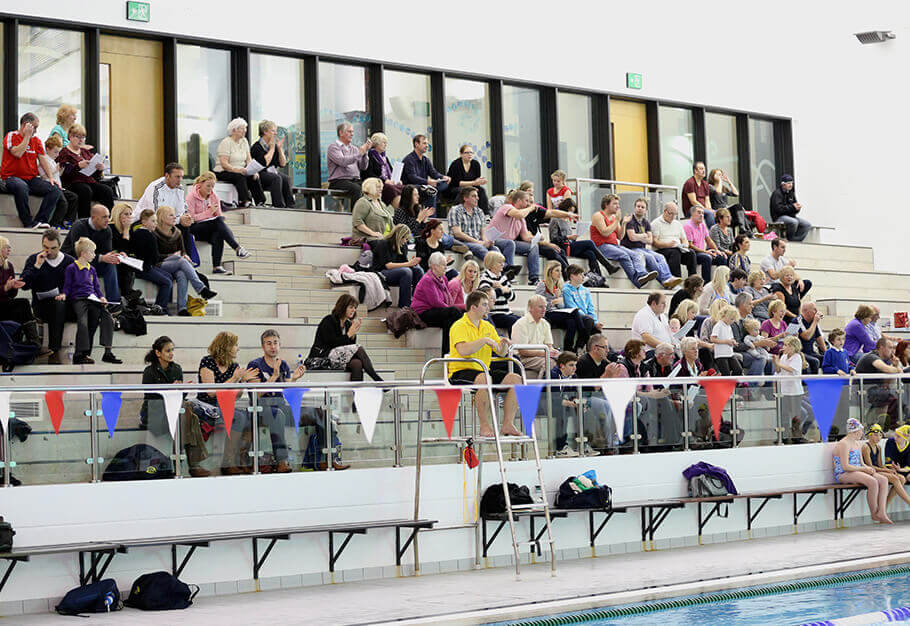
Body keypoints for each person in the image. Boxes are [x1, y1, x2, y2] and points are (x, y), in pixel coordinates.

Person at [447, 290, 521, 438]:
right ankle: (484, 426)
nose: (489, 307)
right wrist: (484, 340)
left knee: (516, 379)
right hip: (460, 370)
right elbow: (463, 350)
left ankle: (507, 423)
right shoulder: (459, 326)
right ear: (473, 307)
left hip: (483, 370)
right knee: (484, 379)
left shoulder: (487, 326)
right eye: (485, 305)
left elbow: (500, 352)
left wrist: (504, 344)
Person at [140, 336, 211, 477]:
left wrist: (182, 389)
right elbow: (150, 397)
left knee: (188, 413)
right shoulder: (149, 371)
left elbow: (180, 397)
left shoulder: (177, 368)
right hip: (155, 411)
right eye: (168, 351)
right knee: (188, 417)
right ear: (158, 353)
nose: (171, 354)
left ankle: (180, 460)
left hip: (174, 409)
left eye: (172, 350)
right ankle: (191, 463)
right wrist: (169, 390)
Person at [195, 331, 261, 474]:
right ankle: (228, 462)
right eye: (235, 345)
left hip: (224, 405)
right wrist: (234, 378)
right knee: (239, 417)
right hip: (206, 405)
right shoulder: (207, 361)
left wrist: (243, 382)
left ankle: (241, 460)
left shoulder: (233, 366)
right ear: (226, 346)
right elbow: (211, 392)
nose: (238, 348)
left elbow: (236, 396)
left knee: (250, 417)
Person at [247, 329, 307, 473]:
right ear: (263, 347)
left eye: (275, 343)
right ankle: (282, 461)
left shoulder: (283, 364)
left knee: (318, 413)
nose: (273, 346)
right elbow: (256, 395)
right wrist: (274, 376)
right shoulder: (255, 365)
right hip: (261, 408)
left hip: (280, 404)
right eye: (269, 343)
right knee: (277, 415)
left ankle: (325, 459)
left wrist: (294, 379)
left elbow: (286, 389)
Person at [60, 237, 120, 365]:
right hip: (79, 299)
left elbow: (96, 288)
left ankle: (107, 352)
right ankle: (79, 354)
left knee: (107, 318)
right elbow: (67, 285)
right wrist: (64, 294)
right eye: (92, 252)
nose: (94, 255)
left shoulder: (92, 269)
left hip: (92, 299)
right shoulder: (72, 268)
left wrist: (102, 297)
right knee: (83, 322)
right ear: (83, 253)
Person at [20, 229, 74, 363]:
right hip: (42, 305)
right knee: (57, 306)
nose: (48, 251)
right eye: (45, 247)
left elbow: (78, 285)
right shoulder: (34, 259)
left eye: (53, 248)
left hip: (65, 303)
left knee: (84, 307)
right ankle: (54, 352)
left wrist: (65, 294)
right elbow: (24, 285)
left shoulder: (69, 261)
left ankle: (81, 354)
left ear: (59, 246)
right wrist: (37, 266)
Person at [152, 206, 218, 314]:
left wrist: (185, 255)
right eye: (171, 215)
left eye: (175, 215)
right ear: (162, 218)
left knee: (182, 274)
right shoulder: (154, 233)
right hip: (159, 264)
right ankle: (201, 288)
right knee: (181, 261)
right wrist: (172, 255)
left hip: (177, 263)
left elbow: (182, 252)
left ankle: (182, 308)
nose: (175, 217)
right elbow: (154, 256)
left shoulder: (177, 233)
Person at [306, 294, 384, 384]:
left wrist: (352, 336)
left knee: (357, 363)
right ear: (342, 307)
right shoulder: (329, 320)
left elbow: (347, 348)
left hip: (336, 359)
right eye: (351, 307)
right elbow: (331, 343)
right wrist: (349, 334)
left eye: (355, 308)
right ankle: (378, 380)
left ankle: (356, 392)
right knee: (359, 348)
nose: (353, 310)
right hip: (321, 358)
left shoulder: (348, 324)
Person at [1, 112, 61, 228]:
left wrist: (50, 178)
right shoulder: (11, 136)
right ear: (26, 125)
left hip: (31, 178)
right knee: (21, 186)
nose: (36, 131)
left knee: (55, 189)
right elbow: (17, 153)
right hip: (11, 177)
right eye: (35, 127)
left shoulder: (36, 141)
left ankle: (40, 221)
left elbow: (43, 160)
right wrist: (27, 137)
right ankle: (28, 222)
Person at [185, 171, 250, 273]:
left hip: (209, 227)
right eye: (208, 186)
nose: (210, 189)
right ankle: (237, 248)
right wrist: (209, 212)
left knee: (218, 231)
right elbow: (191, 218)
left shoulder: (214, 196)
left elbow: (218, 215)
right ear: (200, 184)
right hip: (194, 228)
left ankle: (216, 266)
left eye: (212, 186)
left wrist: (220, 217)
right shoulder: (191, 196)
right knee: (217, 223)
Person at [590, 194, 657, 288]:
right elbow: (605, 232)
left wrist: (624, 223)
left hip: (614, 245)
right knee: (623, 255)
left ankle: (642, 275)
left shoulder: (614, 218)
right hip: (601, 246)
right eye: (615, 204)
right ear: (606, 204)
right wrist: (617, 220)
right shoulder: (598, 215)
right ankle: (637, 280)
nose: (618, 206)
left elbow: (620, 236)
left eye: (618, 204)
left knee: (636, 255)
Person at [832, 418, 891, 524]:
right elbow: (845, 467)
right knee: (872, 482)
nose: (862, 433)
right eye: (861, 431)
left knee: (883, 480)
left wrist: (868, 469)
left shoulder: (856, 443)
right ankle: (874, 513)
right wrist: (864, 469)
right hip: (843, 474)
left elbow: (861, 463)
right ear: (855, 431)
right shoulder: (844, 444)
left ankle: (882, 512)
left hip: (856, 471)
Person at [60, 203, 121, 306]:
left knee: (111, 264)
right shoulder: (79, 227)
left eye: (108, 216)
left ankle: (114, 303)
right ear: (93, 218)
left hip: (93, 261)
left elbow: (106, 253)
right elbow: (79, 254)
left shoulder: (107, 230)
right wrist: (102, 258)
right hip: (74, 262)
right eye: (104, 217)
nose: (108, 220)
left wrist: (115, 256)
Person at [620, 197, 682, 290]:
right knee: (650, 257)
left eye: (642, 207)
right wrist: (643, 236)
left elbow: (650, 240)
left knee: (660, 257)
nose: (640, 208)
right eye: (638, 206)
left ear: (646, 210)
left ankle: (668, 278)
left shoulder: (646, 222)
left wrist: (640, 237)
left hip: (642, 248)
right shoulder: (630, 220)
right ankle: (665, 280)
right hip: (630, 248)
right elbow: (632, 238)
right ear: (634, 207)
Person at [484, 189, 544, 285]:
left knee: (533, 247)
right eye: (526, 201)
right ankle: (509, 274)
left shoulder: (521, 219)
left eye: (529, 202)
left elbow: (525, 237)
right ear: (519, 200)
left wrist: (537, 238)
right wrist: (531, 208)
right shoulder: (506, 207)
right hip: (493, 239)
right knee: (510, 243)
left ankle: (534, 278)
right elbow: (518, 214)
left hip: (509, 243)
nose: (528, 204)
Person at [55, 123, 114, 218]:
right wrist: (78, 166)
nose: (81, 140)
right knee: (85, 190)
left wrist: (99, 169)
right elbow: (64, 173)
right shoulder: (64, 153)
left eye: (83, 137)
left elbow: (95, 176)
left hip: (89, 181)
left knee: (107, 191)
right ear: (70, 137)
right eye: (78, 137)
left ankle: (107, 218)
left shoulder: (86, 152)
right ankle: (84, 220)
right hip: (72, 183)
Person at [537, 260, 597, 352]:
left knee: (572, 322)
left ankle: (568, 349)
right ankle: (584, 334)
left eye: (560, 271)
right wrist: (553, 302)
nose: (560, 273)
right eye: (557, 270)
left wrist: (558, 300)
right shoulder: (542, 284)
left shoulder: (560, 285)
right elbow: (538, 303)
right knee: (575, 312)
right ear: (550, 272)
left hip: (558, 313)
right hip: (548, 313)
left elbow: (561, 306)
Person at [550, 198, 617, 278]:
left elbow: (568, 237)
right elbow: (553, 238)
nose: (571, 214)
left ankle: (598, 277)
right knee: (590, 243)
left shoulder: (566, 221)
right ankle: (608, 266)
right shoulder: (555, 220)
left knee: (590, 253)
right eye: (570, 211)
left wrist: (574, 237)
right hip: (563, 246)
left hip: (570, 244)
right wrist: (568, 237)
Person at [412, 252, 462, 355]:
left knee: (450, 320)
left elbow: (447, 299)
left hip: (435, 311)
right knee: (453, 312)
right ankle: (448, 351)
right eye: (443, 265)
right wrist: (450, 309)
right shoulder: (427, 280)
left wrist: (451, 308)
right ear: (434, 266)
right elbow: (435, 302)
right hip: (422, 313)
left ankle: (447, 352)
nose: (446, 267)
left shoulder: (444, 278)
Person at [128, 208, 175, 312]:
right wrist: (168, 256)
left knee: (169, 276)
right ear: (144, 222)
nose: (156, 223)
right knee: (167, 282)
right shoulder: (149, 235)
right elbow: (154, 257)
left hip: (144, 266)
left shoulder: (138, 233)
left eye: (156, 221)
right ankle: (160, 307)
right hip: (143, 268)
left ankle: (165, 304)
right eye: (153, 221)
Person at [0, 236, 43, 347]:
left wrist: (13, 287)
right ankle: (34, 343)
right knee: (23, 305)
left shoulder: (8, 266)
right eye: (6, 247)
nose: (9, 250)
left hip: (4, 305)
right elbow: (4, 290)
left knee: (23, 306)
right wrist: (5, 288)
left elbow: (12, 296)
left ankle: (33, 344)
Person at [448, 187, 512, 262]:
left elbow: (483, 232)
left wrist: (486, 242)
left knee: (495, 249)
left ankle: (504, 266)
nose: (477, 198)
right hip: (461, 242)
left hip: (478, 241)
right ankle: (502, 267)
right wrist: (478, 242)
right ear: (465, 198)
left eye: (477, 196)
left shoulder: (479, 211)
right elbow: (457, 233)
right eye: (474, 196)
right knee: (480, 248)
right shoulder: (456, 210)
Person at [213, 117, 264, 207]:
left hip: (240, 170)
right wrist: (236, 170)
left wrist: (253, 171)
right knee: (240, 177)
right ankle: (245, 201)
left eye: (245, 128)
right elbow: (224, 164)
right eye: (242, 128)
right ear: (234, 130)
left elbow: (248, 159)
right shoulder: (226, 142)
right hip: (224, 171)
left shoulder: (244, 141)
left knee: (254, 177)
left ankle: (260, 202)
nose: (245, 130)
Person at [370, 224, 423, 308]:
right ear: (400, 236)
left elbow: (404, 263)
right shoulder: (383, 243)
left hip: (396, 272)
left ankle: (416, 302)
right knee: (406, 272)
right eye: (405, 239)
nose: (406, 241)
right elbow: (388, 265)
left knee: (418, 270)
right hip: (381, 273)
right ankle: (404, 306)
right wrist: (408, 264)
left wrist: (412, 264)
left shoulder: (403, 246)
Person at [511, 295, 561, 379]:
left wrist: (554, 352)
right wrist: (545, 353)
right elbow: (523, 351)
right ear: (531, 308)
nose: (544, 309)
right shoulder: (520, 324)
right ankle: (542, 386)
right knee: (549, 362)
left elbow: (549, 346)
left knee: (566, 359)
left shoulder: (545, 323)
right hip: (523, 358)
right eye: (540, 307)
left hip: (540, 355)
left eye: (545, 307)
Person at [651, 201, 705, 280]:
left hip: (677, 248)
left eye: (675, 214)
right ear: (665, 211)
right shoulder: (656, 223)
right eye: (671, 214)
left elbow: (684, 239)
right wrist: (668, 245)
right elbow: (654, 242)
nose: (673, 216)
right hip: (662, 250)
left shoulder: (677, 224)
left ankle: (693, 280)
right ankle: (676, 279)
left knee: (691, 253)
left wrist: (684, 245)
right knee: (675, 252)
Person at [862, 423, 910, 508]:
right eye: (876, 435)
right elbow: (870, 466)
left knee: (902, 479)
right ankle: (908, 502)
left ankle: (884, 506)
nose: (878, 437)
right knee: (895, 478)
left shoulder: (878, 447)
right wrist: (888, 470)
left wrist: (891, 471)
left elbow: (880, 465)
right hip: (871, 471)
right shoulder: (866, 447)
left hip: (880, 470)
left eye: (880, 435)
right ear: (870, 435)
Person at [250, 120, 295, 208]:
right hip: (259, 173)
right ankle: (279, 206)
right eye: (273, 131)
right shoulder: (257, 147)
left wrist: (279, 148)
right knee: (276, 178)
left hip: (271, 172)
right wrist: (272, 149)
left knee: (286, 178)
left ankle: (290, 206)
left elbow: (283, 164)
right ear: (265, 132)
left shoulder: (273, 146)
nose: (275, 133)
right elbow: (264, 163)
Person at [401, 134, 449, 211]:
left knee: (445, 184)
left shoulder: (425, 160)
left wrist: (443, 177)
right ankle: (431, 216)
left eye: (427, 143)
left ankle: (434, 193)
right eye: (424, 143)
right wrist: (428, 182)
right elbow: (412, 178)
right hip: (413, 186)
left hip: (424, 186)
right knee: (430, 191)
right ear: (416, 144)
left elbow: (433, 173)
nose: (427, 146)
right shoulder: (409, 159)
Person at [40, 134, 78, 227]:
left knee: (73, 197)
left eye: (58, 152)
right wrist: (55, 170)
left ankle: (68, 221)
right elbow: (44, 176)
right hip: (51, 186)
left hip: (59, 186)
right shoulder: (43, 160)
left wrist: (60, 171)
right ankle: (54, 223)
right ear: (47, 149)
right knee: (63, 203)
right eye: (55, 152)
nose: (57, 155)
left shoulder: (53, 160)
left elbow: (56, 176)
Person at [327, 122, 370, 202]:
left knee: (371, 188)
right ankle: (356, 210)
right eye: (349, 131)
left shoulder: (355, 149)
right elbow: (342, 161)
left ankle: (370, 209)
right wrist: (360, 154)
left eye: (352, 132)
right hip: (339, 181)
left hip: (355, 180)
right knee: (357, 189)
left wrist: (365, 153)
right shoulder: (333, 147)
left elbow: (363, 167)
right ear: (341, 133)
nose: (352, 134)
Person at [479, 251, 519, 332]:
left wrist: (501, 288)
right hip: (493, 314)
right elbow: (487, 297)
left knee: (522, 321)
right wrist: (501, 290)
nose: (503, 265)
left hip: (507, 312)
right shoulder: (485, 277)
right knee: (513, 321)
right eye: (500, 263)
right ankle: (513, 341)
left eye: (503, 262)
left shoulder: (503, 278)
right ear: (492, 264)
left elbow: (512, 297)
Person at [683, 206, 726, 282]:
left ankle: (721, 282)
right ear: (692, 214)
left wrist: (717, 250)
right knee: (707, 258)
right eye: (699, 212)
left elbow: (709, 240)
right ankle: (706, 284)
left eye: (703, 213)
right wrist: (705, 252)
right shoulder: (688, 226)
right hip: (693, 254)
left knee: (721, 257)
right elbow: (690, 245)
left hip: (703, 252)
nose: (701, 215)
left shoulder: (702, 225)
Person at [550, 351, 580, 456]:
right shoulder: (553, 375)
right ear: (562, 366)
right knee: (563, 410)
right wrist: (571, 403)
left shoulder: (573, 376)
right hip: (546, 404)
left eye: (575, 365)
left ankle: (583, 444)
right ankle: (561, 447)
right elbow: (554, 398)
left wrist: (578, 402)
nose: (574, 368)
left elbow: (574, 394)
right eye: (571, 365)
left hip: (564, 403)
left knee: (583, 409)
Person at [708, 168, 753, 236]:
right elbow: (718, 192)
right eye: (718, 174)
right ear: (712, 176)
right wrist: (720, 181)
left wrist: (729, 182)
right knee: (740, 212)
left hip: (727, 210)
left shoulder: (723, 188)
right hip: (718, 211)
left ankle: (742, 228)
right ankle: (747, 231)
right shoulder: (710, 187)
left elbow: (736, 193)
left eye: (721, 175)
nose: (720, 176)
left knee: (738, 206)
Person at [444, 144, 488, 212]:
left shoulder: (475, 164)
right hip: (455, 188)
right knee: (463, 191)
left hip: (471, 187)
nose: (469, 154)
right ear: (461, 154)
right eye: (466, 153)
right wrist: (473, 183)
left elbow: (476, 180)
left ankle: (484, 213)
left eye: (471, 153)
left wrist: (480, 181)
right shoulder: (456, 164)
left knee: (481, 191)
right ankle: (459, 212)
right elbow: (455, 183)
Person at [775, 335, 807, 431]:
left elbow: (791, 369)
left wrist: (778, 363)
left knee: (795, 415)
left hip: (794, 392)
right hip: (784, 390)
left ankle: (796, 435)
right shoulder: (784, 357)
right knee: (784, 414)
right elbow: (779, 370)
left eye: (786, 345)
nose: (783, 347)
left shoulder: (797, 357)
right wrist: (776, 363)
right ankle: (784, 435)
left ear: (793, 347)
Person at [109, 203, 140, 300]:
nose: (129, 217)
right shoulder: (110, 228)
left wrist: (124, 252)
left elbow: (129, 249)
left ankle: (128, 294)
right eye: (126, 214)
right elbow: (115, 247)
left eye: (130, 214)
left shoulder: (130, 229)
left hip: (122, 258)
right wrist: (126, 231)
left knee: (130, 260)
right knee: (124, 264)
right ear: (118, 215)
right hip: (111, 257)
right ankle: (127, 293)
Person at [351, 177, 394, 243]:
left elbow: (390, 223)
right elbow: (357, 223)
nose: (381, 189)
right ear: (370, 188)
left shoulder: (382, 204)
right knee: (383, 244)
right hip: (366, 238)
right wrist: (373, 233)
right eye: (378, 187)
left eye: (381, 187)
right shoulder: (363, 202)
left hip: (381, 237)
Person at [770, 174, 811, 242]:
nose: (791, 185)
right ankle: (790, 239)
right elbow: (779, 209)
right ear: (783, 184)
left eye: (792, 183)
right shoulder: (777, 194)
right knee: (794, 222)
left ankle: (797, 241)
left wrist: (797, 209)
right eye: (789, 183)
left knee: (807, 225)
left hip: (791, 216)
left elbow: (794, 207)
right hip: (779, 217)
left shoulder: (791, 193)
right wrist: (793, 207)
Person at [710, 305, 743, 376]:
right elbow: (712, 339)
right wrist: (726, 341)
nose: (732, 321)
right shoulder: (718, 325)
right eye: (731, 319)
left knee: (738, 370)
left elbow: (731, 338)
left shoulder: (729, 326)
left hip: (730, 353)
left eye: (734, 319)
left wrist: (733, 342)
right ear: (724, 316)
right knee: (726, 374)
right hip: (721, 355)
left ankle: (733, 382)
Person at [794, 302, 826, 374]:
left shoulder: (813, 322)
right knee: (815, 361)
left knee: (827, 359)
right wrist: (815, 321)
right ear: (807, 311)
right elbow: (807, 337)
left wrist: (828, 353)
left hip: (811, 352)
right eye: (814, 309)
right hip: (800, 352)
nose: (817, 311)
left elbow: (820, 340)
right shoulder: (797, 321)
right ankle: (813, 381)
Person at [681, 161, 715, 227]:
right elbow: (693, 201)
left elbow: (707, 200)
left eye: (704, 169)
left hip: (704, 209)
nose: (704, 171)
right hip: (691, 210)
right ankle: (712, 233)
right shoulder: (690, 183)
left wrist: (709, 209)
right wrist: (706, 210)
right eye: (701, 169)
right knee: (709, 214)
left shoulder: (705, 184)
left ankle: (722, 232)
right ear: (695, 171)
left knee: (719, 213)